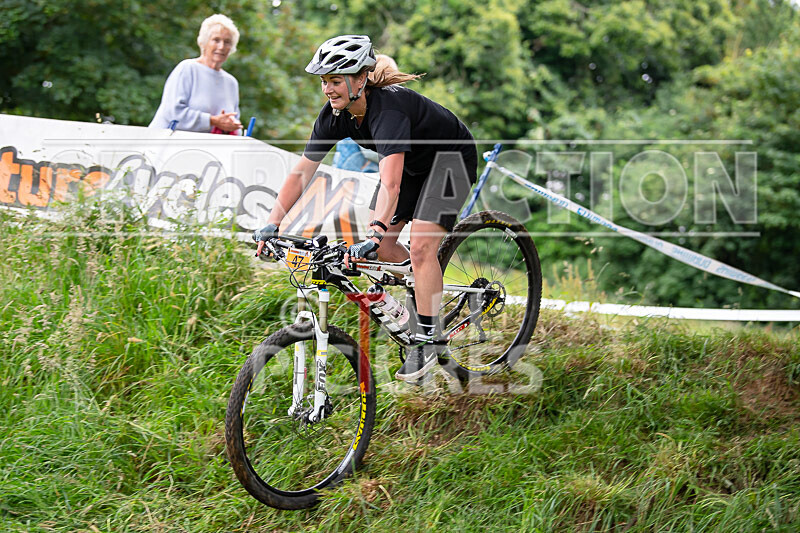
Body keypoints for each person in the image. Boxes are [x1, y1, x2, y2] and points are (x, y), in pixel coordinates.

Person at [254, 35, 477, 383]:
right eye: (324, 81)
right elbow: (302, 172)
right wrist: (272, 223)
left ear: (360, 79)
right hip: (415, 166)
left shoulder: (388, 111)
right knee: (387, 248)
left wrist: (373, 233)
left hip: (450, 160)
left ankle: (431, 338)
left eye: (336, 79)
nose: (328, 89)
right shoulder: (334, 115)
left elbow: (390, 183)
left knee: (419, 246)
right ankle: (426, 291)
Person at [149, 14, 242, 134]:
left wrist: (231, 125)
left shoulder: (231, 83)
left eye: (227, 42)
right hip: (167, 144)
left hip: (205, 149)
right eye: (216, 40)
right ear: (204, 42)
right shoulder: (187, 69)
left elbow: (235, 123)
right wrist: (212, 121)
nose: (222, 46)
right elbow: (173, 113)